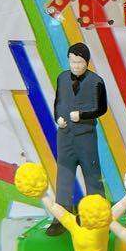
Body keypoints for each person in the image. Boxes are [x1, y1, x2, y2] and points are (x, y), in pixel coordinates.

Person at [47, 42, 108, 237]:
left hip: (85, 137)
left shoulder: (96, 81)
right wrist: (58, 118)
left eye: (79, 62)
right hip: (65, 137)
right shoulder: (62, 78)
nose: (75, 66)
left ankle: (97, 213)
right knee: (64, 176)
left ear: (87, 62)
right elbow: (58, 102)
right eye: (72, 61)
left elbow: (102, 109)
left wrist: (82, 115)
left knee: (92, 175)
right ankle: (61, 216)